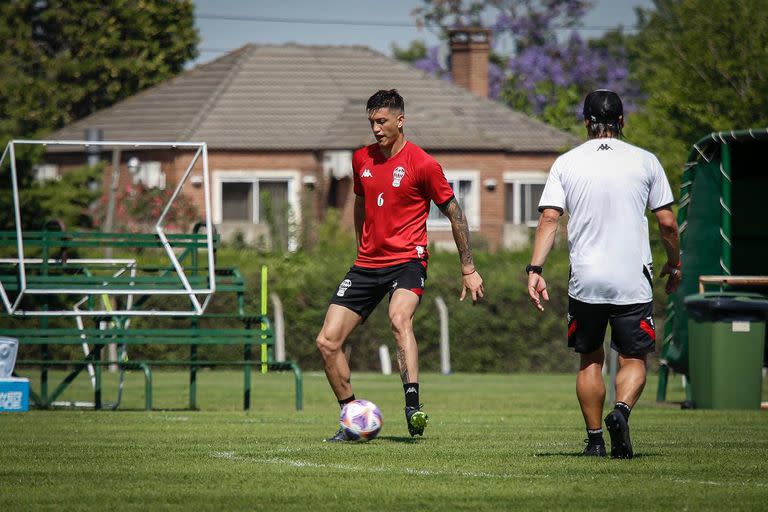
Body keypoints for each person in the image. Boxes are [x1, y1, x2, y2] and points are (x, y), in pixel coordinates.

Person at [317, 89, 484, 442]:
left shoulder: (422, 164)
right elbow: (360, 204)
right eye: (372, 123)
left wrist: (467, 268)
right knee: (327, 342)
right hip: (365, 264)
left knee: (399, 318)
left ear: (400, 120)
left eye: (382, 122)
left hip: (408, 260)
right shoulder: (361, 158)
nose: (376, 129)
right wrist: (361, 244)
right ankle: (354, 418)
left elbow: (455, 215)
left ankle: (412, 407)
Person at [526, 90, 681, 458]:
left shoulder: (566, 163)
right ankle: (621, 411)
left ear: (585, 122)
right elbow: (668, 222)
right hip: (632, 279)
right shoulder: (646, 161)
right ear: (623, 121)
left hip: (587, 280)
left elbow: (550, 218)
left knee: (590, 359)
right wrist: (675, 263)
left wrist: (535, 268)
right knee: (634, 360)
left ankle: (595, 441)